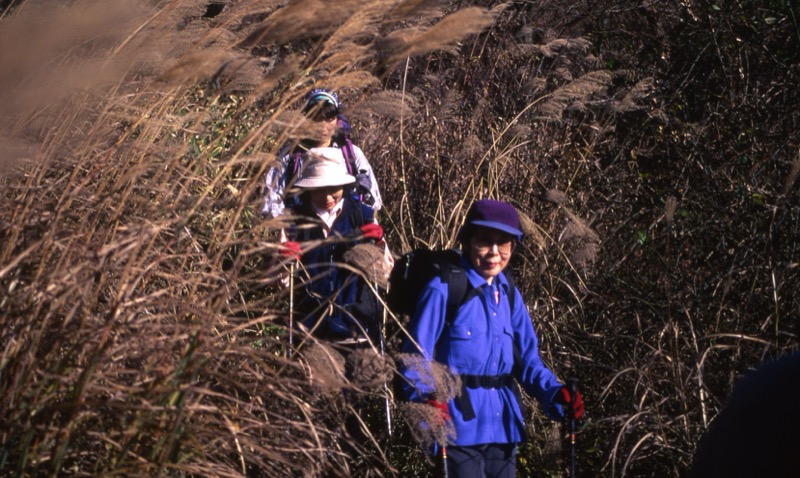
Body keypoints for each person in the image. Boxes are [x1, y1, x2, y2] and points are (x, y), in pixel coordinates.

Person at [400, 199, 585, 478]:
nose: (494, 252)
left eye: (504, 242)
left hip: (504, 428)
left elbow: (528, 362)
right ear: (468, 241)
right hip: (457, 431)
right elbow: (414, 356)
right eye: (484, 241)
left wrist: (556, 394)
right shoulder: (445, 288)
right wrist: (428, 402)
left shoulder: (509, 293)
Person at [280, 146, 391, 344]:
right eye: (320, 190)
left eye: (334, 189)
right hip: (310, 333)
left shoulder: (363, 216)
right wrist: (284, 260)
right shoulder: (293, 221)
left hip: (357, 333)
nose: (328, 197)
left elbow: (385, 275)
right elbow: (281, 282)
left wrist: (378, 248)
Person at [263, 88, 383, 219]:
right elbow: (270, 199)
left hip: (346, 232)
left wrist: (363, 199)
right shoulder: (290, 156)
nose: (323, 127)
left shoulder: (351, 153)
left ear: (337, 120)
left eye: (329, 119)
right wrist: (289, 226)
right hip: (304, 233)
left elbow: (374, 201)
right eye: (316, 119)